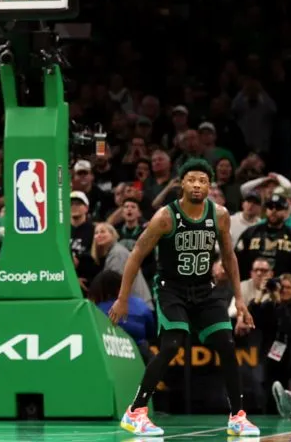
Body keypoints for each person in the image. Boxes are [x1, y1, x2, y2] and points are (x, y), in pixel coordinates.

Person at [109, 158, 259, 437]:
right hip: (171, 289)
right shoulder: (166, 217)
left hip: (205, 289)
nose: (198, 185)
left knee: (226, 344)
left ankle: (238, 416)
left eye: (203, 180)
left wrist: (239, 299)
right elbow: (136, 256)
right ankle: (136, 411)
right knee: (171, 345)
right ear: (181, 184)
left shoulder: (220, 215)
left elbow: (229, 257)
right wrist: (123, 298)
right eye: (192, 180)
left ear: (210, 185)